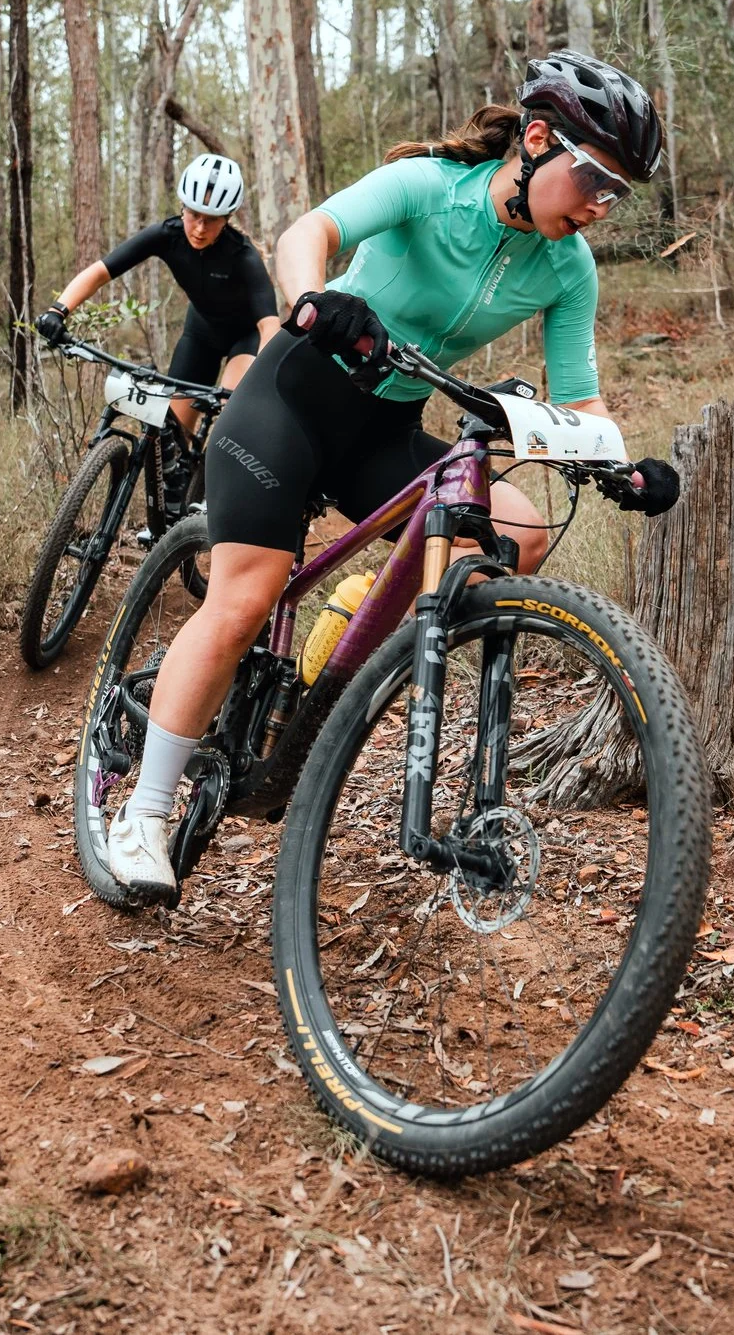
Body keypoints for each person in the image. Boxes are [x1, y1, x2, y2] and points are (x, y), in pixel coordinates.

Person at [99, 52, 683, 901]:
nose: (600, 204)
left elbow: (581, 403)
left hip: (386, 426)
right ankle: (143, 813)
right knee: (245, 596)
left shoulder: (568, 270)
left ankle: (347, 617)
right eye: (594, 177)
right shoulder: (431, 186)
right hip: (293, 397)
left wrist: (620, 464)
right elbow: (310, 234)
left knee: (513, 527)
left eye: (617, 193)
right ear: (537, 138)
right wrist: (314, 300)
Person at [35, 154, 280, 507]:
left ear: (228, 219)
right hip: (201, 335)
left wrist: (265, 372)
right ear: (182, 208)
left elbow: (268, 324)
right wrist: (59, 310)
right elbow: (102, 270)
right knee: (173, 435)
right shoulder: (166, 236)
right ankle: (175, 511)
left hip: (246, 339)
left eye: (211, 221)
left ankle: (217, 499)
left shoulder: (243, 257)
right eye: (194, 215)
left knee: (231, 413)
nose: (199, 228)